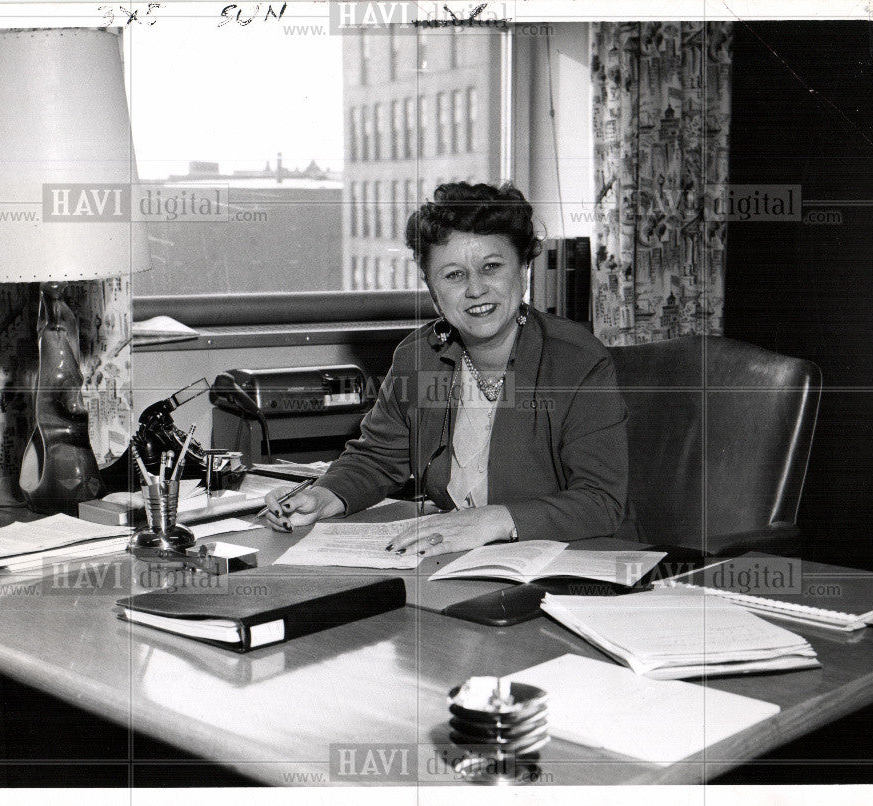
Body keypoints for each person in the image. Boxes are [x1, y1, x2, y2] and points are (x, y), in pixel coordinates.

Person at [263, 182, 628, 558]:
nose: (475, 289)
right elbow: (376, 458)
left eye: (491, 267)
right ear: (432, 288)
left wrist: (492, 520)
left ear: (523, 269)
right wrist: (326, 495)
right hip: (450, 557)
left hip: (559, 561)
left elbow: (600, 502)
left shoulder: (577, 361)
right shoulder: (419, 357)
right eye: (453, 275)